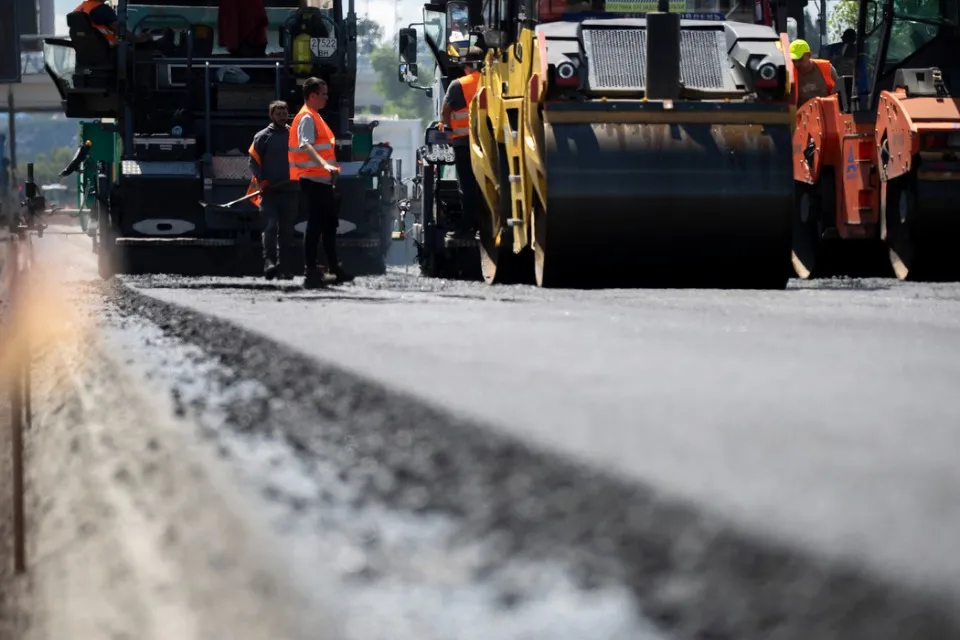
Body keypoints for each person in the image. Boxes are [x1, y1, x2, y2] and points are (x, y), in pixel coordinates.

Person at [289, 77, 354, 289]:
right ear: (312, 95)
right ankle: (312, 269)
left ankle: (332, 268)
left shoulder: (314, 116)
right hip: (313, 179)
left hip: (321, 180)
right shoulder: (307, 117)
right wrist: (325, 165)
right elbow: (305, 145)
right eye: (323, 94)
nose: (327, 97)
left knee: (328, 225)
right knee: (317, 225)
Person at [250, 100, 298, 280]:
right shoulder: (262, 137)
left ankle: (285, 267)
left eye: (284, 113)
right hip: (269, 192)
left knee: (287, 230)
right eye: (278, 114)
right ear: (271, 116)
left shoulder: (295, 135)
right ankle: (269, 262)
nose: (282, 117)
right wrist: (262, 181)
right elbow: (253, 162)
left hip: (290, 190)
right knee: (270, 227)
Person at [440, 52, 484, 241]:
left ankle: (468, 228)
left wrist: (448, 128)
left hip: (464, 143)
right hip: (490, 143)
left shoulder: (458, 85)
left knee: (467, 186)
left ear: (468, 65)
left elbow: (445, 110)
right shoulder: (494, 80)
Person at [73, 0, 153, 45]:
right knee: (145, 51)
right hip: (108, 54)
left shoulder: (79, 9)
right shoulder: (102, 9)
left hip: (87, 55)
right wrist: (143, 38)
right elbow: (122, 33)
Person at [790, 39, 842, 107]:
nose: (796, 64)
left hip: (827, 110)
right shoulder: (790, 74)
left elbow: (840, 93)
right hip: (802, 112)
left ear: (809, 55)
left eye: (800, 60)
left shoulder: (827, 68)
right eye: (793, 61)